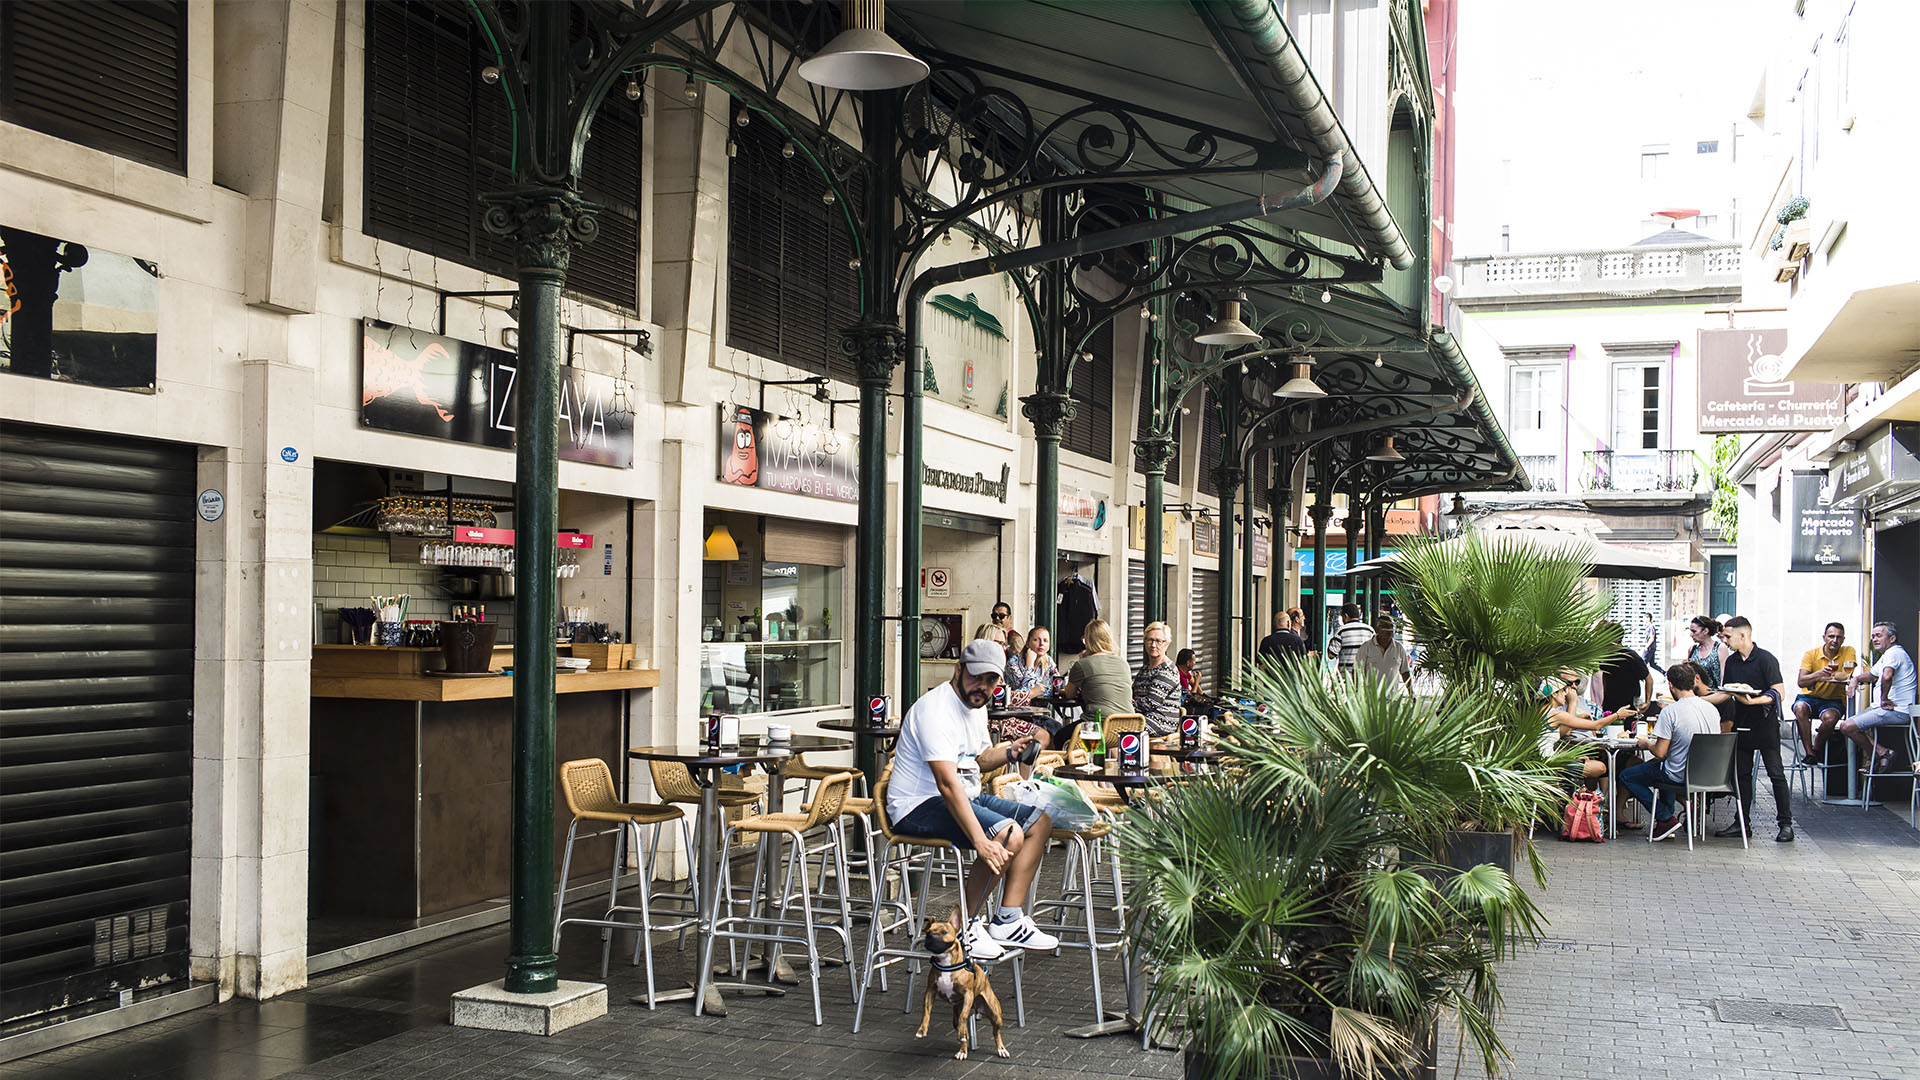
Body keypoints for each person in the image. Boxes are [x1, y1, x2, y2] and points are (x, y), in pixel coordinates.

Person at [886, 639, 1059, 958]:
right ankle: (964, 926)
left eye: (991, 680)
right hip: (918, 805)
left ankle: (1007, 919)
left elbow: (977, 759)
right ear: (958, 669)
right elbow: (947, 783)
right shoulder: (935, 710)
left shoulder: (977, 705)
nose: (982, 686)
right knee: (1008, 833)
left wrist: (1009, 751)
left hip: (963, 795)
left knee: (1039, 821)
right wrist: (981, 840)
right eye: (976, 677)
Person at [1703, 616, 1795, 843]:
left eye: (1728, 636)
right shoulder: (1733, 662)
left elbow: (1779, 692)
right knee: (1741, 775)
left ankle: (1786, 824)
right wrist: (1697, 699)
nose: (1725, 640)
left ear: (1743, 635)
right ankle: (1742, 822)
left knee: (1776, 774)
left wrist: (1753, 702)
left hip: (1764, 725)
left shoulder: (1765, 659)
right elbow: (1726, 692)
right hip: (1740, 722)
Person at [1618, 663, 1725, 841]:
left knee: (1627, 776)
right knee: (1664, 766)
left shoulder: (1671, 711)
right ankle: (1665, 823)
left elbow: (1659, 752)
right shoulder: (1712, 710)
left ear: (1671, 686)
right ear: (1694, 682)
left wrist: (1646, 744)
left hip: (1680, 775)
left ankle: (1665, 818)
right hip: (1710, 775)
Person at [1835, 621, 1918, 773]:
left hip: (1898, 711)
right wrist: (1856, 679)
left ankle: (1879, 755)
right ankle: (1880, 753)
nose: (1875, 639)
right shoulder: (1888, 654)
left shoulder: (1895, 653)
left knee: (1847, 727)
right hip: (1884, 709)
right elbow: (1872, 675)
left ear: (1891, 639)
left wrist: (1884, 698)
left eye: (1879, 636)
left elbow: (1887, 676)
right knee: (1848, 725)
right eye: (1873, 636)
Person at [1054, 617, 1132, 739]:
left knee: (1059, 737)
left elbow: (1069, 694)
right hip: (1128, 724)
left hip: (1100, 725)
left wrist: (1082, 660)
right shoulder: (1123, 663)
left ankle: (1075, 758)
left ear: (1087, 641)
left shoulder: (1083, 664)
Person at [1795, 622, 1857, 764]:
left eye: (1839, 637)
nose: (1835, 640)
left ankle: (1816, 749)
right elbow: (1801, 681)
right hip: (1808, 697)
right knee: (1800, 708)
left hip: (1833, 700)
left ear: (1843, 639)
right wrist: (1818, 675)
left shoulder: (1848, 650)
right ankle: (1809, 753)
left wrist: (1816, 679)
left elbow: (1846, 675)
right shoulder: (1811, 654)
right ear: (1824, 637)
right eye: (1831, 636)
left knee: (1830, 718)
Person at [1130, 621, 1182, 736]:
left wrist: (1127, 706)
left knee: (1122, 730)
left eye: (1158, 641)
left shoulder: (1167, 670)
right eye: (1149, 640)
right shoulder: (1144, 669)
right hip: (1142, 717)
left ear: (1167, 644)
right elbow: (1133, 693)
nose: (1153, 645)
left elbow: (1151, 703)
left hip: (1162, 721)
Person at [1594, 621, 1648, 717]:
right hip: (1609, 707)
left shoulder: (1630, 656)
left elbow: (1649, 679)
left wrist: (1647, 701)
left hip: (1628, 707)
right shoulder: (1604, 656)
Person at [1355, 614, 1412, 693]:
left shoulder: (1399, 648)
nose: (1389, 629)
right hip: (1371, 699)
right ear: (1378, 629)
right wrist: (1357, 692)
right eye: (1385, 626)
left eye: (1391, 626)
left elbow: (1405, 672)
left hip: (1392, 699)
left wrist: (1411, 692)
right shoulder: (1366, 647)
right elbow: (1357, 671)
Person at [1003, 625, 1053, 700]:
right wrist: (1029, 664)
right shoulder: (1014, 663)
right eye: (1036, 640)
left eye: (1045, 641)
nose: (1041, 643)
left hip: (1041, 710)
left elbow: (1057, 686)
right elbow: (1026, 693)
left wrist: (1043, 690)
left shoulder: (1048, 661)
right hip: (1015, 709)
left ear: (1049, 646)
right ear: (1027, 644)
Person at [1334, 603, 1372, 675]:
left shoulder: (1341, 631)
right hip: (1365, 677)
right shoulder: (1370, 630)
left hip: (1345, 678)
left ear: (1346, 616)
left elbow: (1331, 654)